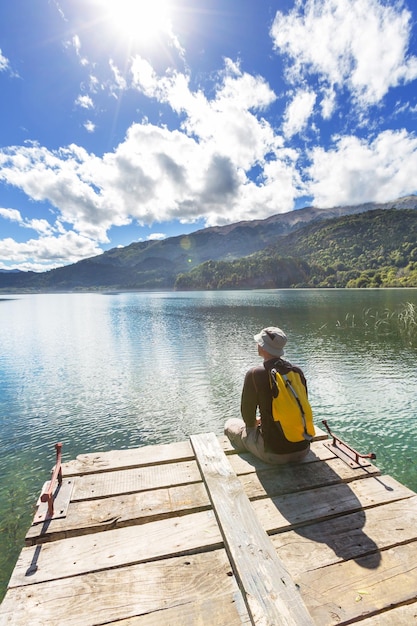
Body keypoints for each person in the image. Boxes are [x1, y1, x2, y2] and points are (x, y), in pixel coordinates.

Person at [224, 326, 312, 464]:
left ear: (263, 348)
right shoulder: (297, 372)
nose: (257, 344)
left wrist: (256, 422)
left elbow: (247, 415)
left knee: (230, 424)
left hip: (274, 455)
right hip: (303, 450)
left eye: (259, 342)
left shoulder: (254, 374)